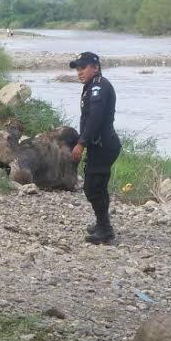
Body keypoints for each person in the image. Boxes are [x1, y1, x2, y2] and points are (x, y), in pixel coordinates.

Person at [69, 51, 120, 244]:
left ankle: (105, 230)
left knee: (93, 187)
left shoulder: (99, 86)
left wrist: (81, 144)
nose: (79, 72)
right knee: (97, 186)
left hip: (103, 145)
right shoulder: (92, 85)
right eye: (77, 69)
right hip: (100, 145)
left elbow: (95, 118)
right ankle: (101, 223)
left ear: (95, 67)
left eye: (83, 67)